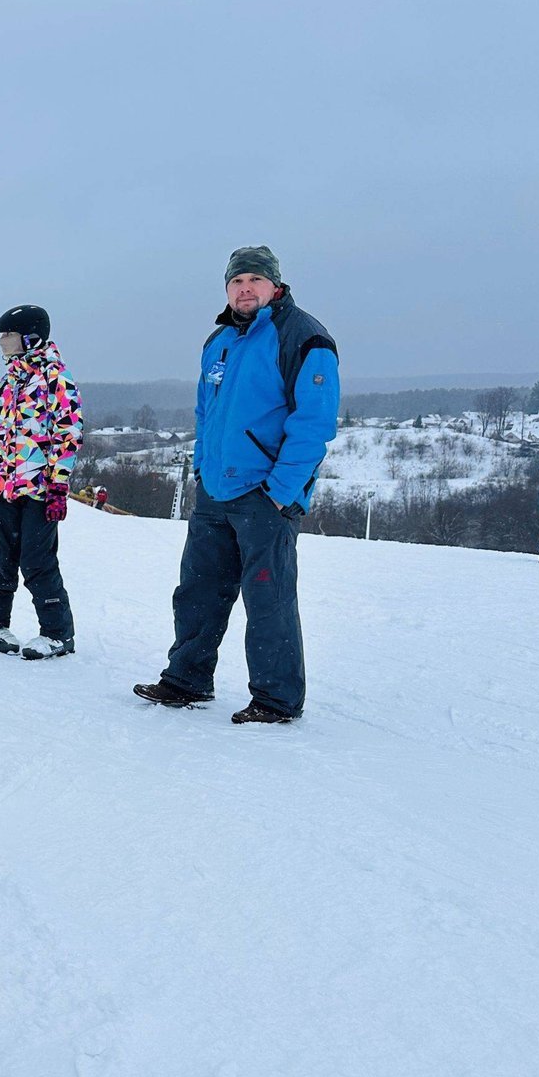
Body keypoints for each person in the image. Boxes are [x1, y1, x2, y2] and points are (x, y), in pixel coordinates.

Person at [134, 246, 338, 724]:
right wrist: (202, 468)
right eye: (236, 282)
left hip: (265, 495)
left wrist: (281, 492)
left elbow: (313, 425)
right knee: (197, 592)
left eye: (254, 280)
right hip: (215, 491)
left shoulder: (304, 337)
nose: (245, 289)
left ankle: (276, 699)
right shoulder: (220, 339)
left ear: (275, 285)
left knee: (269, 601)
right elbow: (205, 411)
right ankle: (186, 679)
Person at [0, 304, 84, 660]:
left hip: (39, 489)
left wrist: (58, 485)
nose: (2, 341)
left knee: (36, 559)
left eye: (9, 334)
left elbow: (69, 434)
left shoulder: (55, 379)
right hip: (6, 487)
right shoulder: (8, 382)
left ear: (30, 337)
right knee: (4, 558)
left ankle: (58, 634)